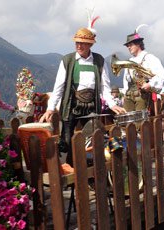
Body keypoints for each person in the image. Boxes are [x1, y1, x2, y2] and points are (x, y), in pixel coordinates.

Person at [40, 26, 126, 166]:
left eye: (83, 43)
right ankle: (72, 169)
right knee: (67, 141)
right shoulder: (67, 60)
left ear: (90, 44)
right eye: (77, 42)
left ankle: (91, 171)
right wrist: (50, 108)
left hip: (92, 106)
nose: (79, 46)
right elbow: (59, 87)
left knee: (94, 139)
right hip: (72, 106)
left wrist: (112, 104)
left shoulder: (99, 61)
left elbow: (105, 86)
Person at [122, 24, 164, 112]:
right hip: (129, 96)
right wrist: (124, 94)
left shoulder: (149, 58)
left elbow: (161, 76)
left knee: (140, 122)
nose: (128, 47)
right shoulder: (129, 61)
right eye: (127, 46)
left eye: (130, 45)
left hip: (143, 96)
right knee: (128, 123)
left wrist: (150, 84)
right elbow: (126, 81)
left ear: (138, 44)